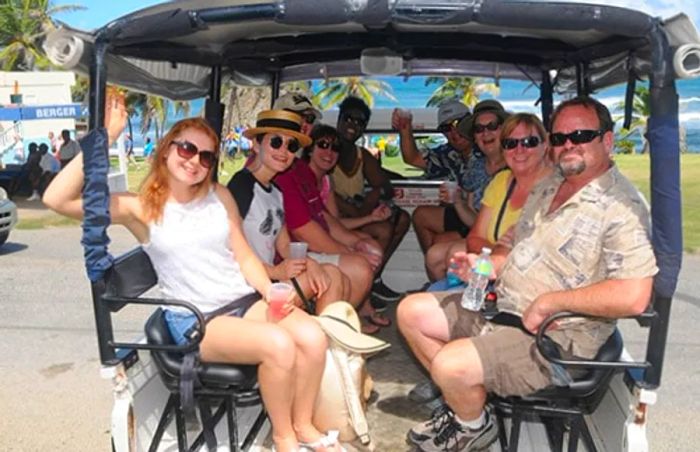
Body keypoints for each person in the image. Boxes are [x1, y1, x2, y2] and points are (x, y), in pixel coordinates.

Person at [43, 93, 345, 452]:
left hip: (241, 300)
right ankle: (285, 439)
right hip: (197, 320)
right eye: (187, 149)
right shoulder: (140, 208)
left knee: (312, 335)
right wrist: (105, 139)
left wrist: (269, 291)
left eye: (205, 156)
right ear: (167, 149)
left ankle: (304, 425)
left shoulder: (218, 194)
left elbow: (245, 255)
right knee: (279, 345)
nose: (195, 161)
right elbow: (56, 199)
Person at [397, 96, 658, 452]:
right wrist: (487, 266)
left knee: (449, 365)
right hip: (504, 307)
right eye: (561, 136)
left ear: (607, 141)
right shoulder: (550, 187)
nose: (568, 144)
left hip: (555, 338)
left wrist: (551, 302)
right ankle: (471, 416)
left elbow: (633, 295)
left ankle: (469, 421)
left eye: (581, 135)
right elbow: (511, 243)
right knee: (410, 312)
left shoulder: (621, 207)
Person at [227, 110, 350, 314]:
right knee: (333, 278)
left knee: (333, 275)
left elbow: (284, 245)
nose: (283, 151)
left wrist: (310, 263)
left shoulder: (276, 192)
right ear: (256, 145)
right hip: (246, 289)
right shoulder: (242, 186)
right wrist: (276, 271)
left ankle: (328, 343)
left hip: (269, 280)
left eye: (291, 146)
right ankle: (326, 342)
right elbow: (230, 251)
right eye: (276, 142)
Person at [275, 124, 389, 334]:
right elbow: (303, 229)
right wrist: (349, 251)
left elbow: (326, 219)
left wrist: (356, 242)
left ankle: (338, 326)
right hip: (295, 255)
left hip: (307, 249)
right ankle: (332, 330)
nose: (329, 152)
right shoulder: (285, 176)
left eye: (334, 148)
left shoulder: (306, 175)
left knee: (368, 250)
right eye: (323, 145)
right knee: (360, 265)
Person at [332, 96, 410, 304]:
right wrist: (360, 211)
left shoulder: (362, 155)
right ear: (339, 120)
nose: (353, 125)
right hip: (332, 218)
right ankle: (363, 286)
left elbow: (384, 185)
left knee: (402, 218)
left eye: (360, 123)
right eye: (349, 119)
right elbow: (326, 194)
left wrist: (371, 199)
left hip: (356, 213)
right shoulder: (328, 148)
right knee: (383, 230)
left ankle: (373, 278)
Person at [423, 100, 508, 282]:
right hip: (481, 233)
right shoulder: (475, 167)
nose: (486, 133)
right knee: (433, 255)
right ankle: (446, 298)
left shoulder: (517, 160)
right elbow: (473, 220)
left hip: (508, 238)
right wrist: (457, 201)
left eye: (492, 126)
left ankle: (469, 301)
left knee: (453, 254)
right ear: (474, 136)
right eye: (479, 129)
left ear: (505, 130)